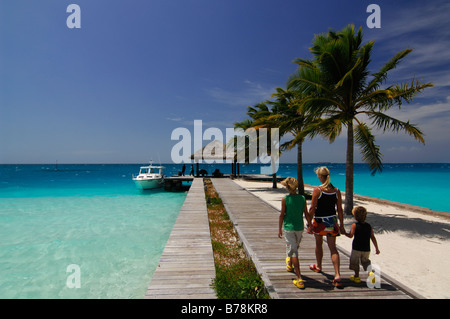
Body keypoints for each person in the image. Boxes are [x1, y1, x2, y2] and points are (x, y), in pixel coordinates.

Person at [307, 166, 345, 288]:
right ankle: (337, 274)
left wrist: (308, 222)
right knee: (333, 248)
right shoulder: (336, 190)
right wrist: (342, 225)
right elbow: (339, 209)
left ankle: (318, 266)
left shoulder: (318, 190)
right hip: (332, 221)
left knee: (319, 244)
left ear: (320, 176)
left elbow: (312, 208)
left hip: (319, 221)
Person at [278, 177, 309, 289]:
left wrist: (279, 228)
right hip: (299, 227)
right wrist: (309, 225)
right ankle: (289, 263)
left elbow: (282, 215)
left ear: (287, 187)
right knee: (294, 248)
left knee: (294, 251)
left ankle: (299, 278)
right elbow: (306, 213)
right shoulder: (302, 198)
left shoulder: (285, 199)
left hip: (289, 227)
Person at [344, 206, 380, 283]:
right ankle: (370, 273)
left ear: (355, 216)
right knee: (366, 262)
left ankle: (356, 277)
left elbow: (351, 235)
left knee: (355, 262)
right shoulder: (368, 226)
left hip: (356, 248)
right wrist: (377, 248)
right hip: (366, 248)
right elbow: (372, 237)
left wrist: (344, 233)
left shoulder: (354, 225)